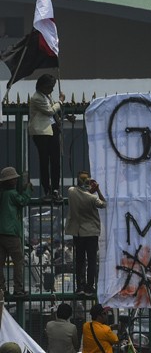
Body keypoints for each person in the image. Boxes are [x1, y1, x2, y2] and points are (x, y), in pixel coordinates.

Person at [65, 171, 107, 296]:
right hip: (92, 232)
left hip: (78, 232)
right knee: (92, 261)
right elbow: (104, 204)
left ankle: (80, 287)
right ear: (88, 183)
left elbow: (80, 194)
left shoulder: (71, 192)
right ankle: (90, 286)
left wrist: (89, 190)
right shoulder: (93, 198)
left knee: (80, 260)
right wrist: (97, 190)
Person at [29, 73, 65, 200]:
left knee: (55, 161)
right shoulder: (36, 97)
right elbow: (49, 111)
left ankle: (55, 189)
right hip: (41, 132)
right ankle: (47, 188)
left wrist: (62, 118)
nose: (52, 89)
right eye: (50, 86)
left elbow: (53, 114)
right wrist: (60, 101)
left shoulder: (47, 95)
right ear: (42, 86)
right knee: (44, 161)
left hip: (53, 129)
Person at [0, 166, 32, 297]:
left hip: (1, 232)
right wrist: (28, 190)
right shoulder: (12, 194)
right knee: (18, 261)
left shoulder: (2, 193)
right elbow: (23, 201)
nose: (15, 181)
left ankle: (2, 289)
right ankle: (18, 289)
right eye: (13, 179)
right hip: (11, 233)